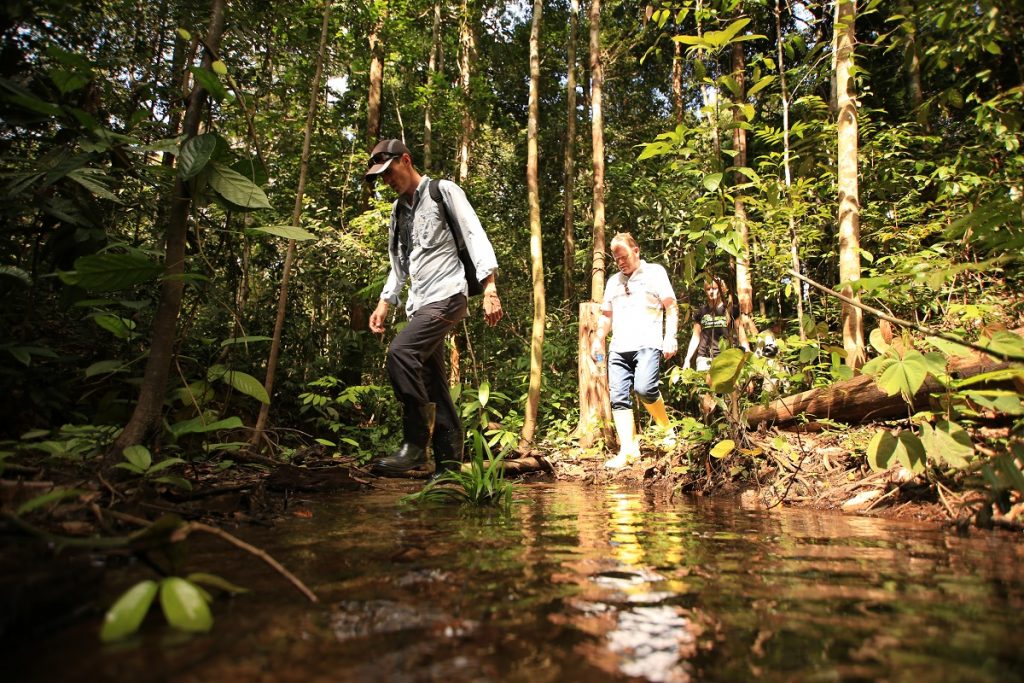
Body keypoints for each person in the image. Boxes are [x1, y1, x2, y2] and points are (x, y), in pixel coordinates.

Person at [365, 139, 503, 477]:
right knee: (435, 383)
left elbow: (474, 233)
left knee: (401, 353)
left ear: (406, 160)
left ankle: (414, 444)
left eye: (389, 171)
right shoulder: (398, 212)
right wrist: (385, 301)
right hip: (419, 304)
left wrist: (490, 288)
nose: (387, 180)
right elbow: (400, 263)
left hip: (448, 295)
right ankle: (449, 468)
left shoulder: (443, 191)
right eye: (380, 177)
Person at [590, 232, 678, 470]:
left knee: (645, 388)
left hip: (647, 343)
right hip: (619, 348)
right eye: (616, 258)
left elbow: (671, 306)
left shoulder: (655, 273)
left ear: (636, 251)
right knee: (618, 397)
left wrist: (670, 336)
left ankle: (667, 430)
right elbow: (606, 317)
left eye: (624, 256)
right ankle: (628, 450)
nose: (621, 262)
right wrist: (598, 339)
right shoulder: (612, 282)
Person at [682, 274, 750, 372]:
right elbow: (696, 336)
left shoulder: (731, 310)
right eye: (708, 289)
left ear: (722, 289)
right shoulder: (701, 312)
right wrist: (687, 359)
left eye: (714, 288)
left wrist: (747, 354)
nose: (711, 292)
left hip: (727, 357)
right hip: (704, 359)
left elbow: (741, 334)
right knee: (705, 387)